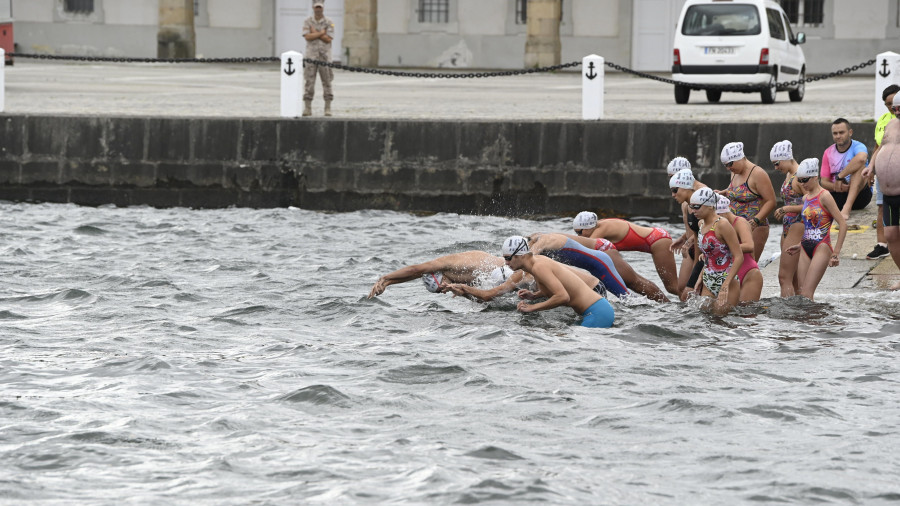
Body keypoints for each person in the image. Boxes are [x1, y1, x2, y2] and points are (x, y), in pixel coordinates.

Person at [501, 236, 615, 328]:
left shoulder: (538, 267)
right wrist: (534, 296)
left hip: (597, 313)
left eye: (508, 258)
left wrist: (533, 307)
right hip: (598, 309)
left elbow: (563, 296)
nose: (506, 262)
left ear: (520, 255)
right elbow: (560, 287)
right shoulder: (537, 262)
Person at [527, 232, 669, 302]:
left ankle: (663, 309)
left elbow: (530, 260)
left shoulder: (543, 240)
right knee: (626, 298)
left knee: (627, 299)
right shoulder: (540, 243)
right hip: (594, 264)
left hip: (601, 263)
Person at [572, 211, 679, 296]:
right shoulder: (597, 226)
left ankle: (692, 300)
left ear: (590, 227)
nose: (579, 236)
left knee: (672, 287)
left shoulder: (601, 230)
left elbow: (583, 249)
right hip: (656, 237)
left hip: (657, 241)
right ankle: (671, 304)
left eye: (580, 232)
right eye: (576, 233)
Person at [786, 158, 848, 300]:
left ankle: (818, 321)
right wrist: (799, 245)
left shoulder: (825, 196)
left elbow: (843, 224)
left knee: (807, 294)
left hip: (822, 246)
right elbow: (810, 227)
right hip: (805, 247)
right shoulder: (805, 198)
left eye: (805, 180)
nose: (802, 184)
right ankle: (811, 322)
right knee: (802, 295)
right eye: (800, 180)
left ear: (815, 177)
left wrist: (836, 253)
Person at [864, 92, 900, 290]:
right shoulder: (891, 124)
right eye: (894, 109)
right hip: (888, 193)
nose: (896, 112)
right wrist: (871, 166)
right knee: (891, 234)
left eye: (899, 108)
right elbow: (881, 147)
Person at [689, 188, 743, 315]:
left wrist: (725, 285)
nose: (693, 211)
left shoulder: (722, 225)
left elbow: (739, 256)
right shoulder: (701, 223)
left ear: (710, 206)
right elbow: (709, 256)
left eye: (696, 207)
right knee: (705, 321)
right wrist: (700, 277)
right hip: (708, 279)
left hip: (727, 280)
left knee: (722, 323)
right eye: (692, 207)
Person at [720, 141, 776, 261]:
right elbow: (740, 191)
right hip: (736, 226)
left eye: (730, 164)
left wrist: (755, 221)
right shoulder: (735, 172)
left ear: (740, 157)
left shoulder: (758, 174)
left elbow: (771, 201)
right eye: (725, 165)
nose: (728, 168)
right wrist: (724, 192)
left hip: (755, 227)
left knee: (748, 267)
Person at [367, 250, 503, 298]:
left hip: (508, 271)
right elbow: (417, 275)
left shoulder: (449, 263)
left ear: (441, 278)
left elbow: (416, 270)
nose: (444, 292)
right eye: (440, 292)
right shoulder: (453, 278)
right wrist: (388, 283)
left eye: (441, 288)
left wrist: (384, 277)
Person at [770, 140, 804, 296]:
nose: (776, 168)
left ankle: (786, 315)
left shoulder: (800, 177)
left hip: (798, 226)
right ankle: (797, 309)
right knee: (793, 277)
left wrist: (787, 208)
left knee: (784, 277)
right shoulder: (790, 174)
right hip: (788, 228)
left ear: (786, 158)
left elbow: (814, 203)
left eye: (777, 163)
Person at [820, 118, 872, 220]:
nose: (838, 136)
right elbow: (823, 182)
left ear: (850, 132)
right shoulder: (828, 152)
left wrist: (840, 176)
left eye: (841, 132)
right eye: (835, 133)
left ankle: (847, 208)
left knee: (860, 167)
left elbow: (861, 159)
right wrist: (838, 187)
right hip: (838, 195)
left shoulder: (858, 146)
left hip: (860, 196)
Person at [669, 168, 707, 300]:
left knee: (688, 296)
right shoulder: (691, 206)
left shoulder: (703, 204)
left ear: (685, 188)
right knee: (685, 295)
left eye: (675, 190)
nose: (673, 195)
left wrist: (702, 270)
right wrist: (696, 266)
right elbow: (697, 237)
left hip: (714, 259)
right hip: (701, 255)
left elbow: (721, 229)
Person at [716, 195, 763, 302]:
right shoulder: (716, 224)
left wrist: (721, 249)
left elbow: (749, 245)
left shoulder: (740, 222)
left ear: (723, 212)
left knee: (746, 313)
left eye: (717, 216)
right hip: (728, 274)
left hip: (748, 273)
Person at [302, 0, 335, 117]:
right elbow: (307, 37)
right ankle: (307, 107)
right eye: (316, 7)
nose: (318, 10)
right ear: (313, 8)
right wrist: (321, 33)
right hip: (311, 56)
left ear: (323, 8)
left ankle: (327, 107)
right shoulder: (308, 21)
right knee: (309, 82)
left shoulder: (329, 22)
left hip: (324, 56)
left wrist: (315, 33)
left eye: (320, 7)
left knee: (327, 82)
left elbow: (329, 39)